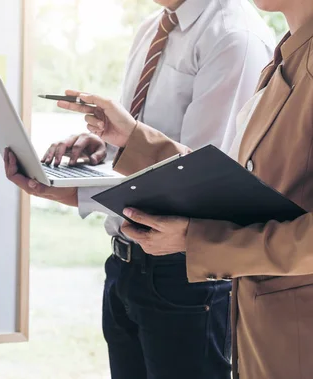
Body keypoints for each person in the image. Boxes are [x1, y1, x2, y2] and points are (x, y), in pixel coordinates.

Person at [36, 1, 313, 377]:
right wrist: (131, 139)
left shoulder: (240, 35)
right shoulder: (289, 50)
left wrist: (200, 241)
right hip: (262, 323)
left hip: (284, 327)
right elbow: (231, 182)